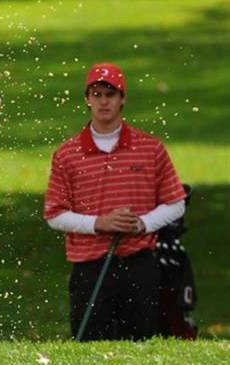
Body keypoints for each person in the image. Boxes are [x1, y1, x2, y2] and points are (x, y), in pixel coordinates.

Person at [44, 63, 187, 341]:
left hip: (139, 264)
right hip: (90, 268)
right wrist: (99, 223)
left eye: (111, 94)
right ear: (87, 99)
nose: (104, 101)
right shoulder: (67, 154)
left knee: (140, 349)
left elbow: (175, 203)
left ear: (123, 99)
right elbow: (54, 214)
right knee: (90, 349)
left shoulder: (150, 148)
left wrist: (142, 224)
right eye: (96, 94)